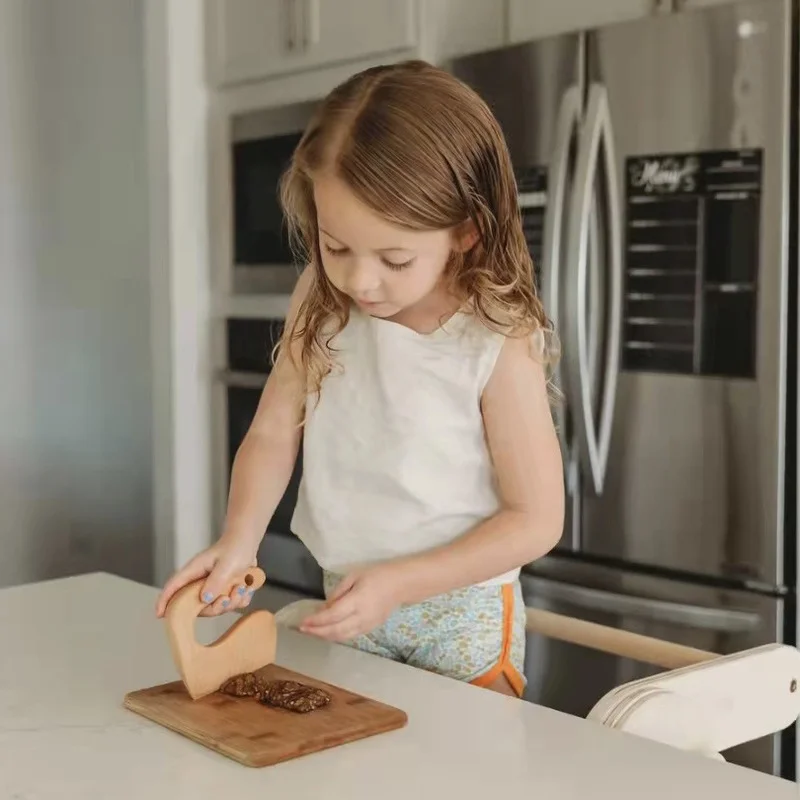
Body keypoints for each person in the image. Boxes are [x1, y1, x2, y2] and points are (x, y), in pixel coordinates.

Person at [156, 60, 565, 697]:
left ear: (466, 232)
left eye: (395, 258)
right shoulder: (319, 300)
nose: (359, 281)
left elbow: (536, 519)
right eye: (336, 246)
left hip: (461, 620)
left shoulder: (495, 336)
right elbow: (271, 433)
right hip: (348, 596)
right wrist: (238, 541)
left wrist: (400, 583)